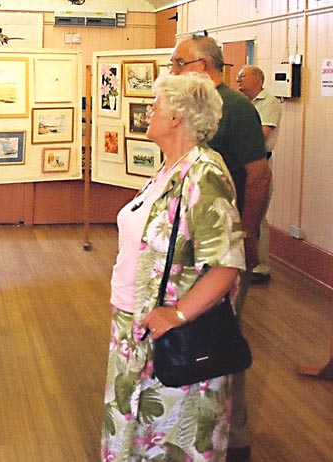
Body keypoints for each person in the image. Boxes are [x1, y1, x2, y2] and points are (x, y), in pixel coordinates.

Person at [101, 72, 246, 462]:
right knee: (133, 431)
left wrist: (177, 313)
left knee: (170, 438)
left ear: (178, 116)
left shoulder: (205, 173)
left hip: (174, 334)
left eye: (156, 105)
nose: (149, 111)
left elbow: (226, 264)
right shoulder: (170, 168)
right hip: (136, 325)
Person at [170, 36, 271, 462]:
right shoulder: (192, 107)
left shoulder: (237, 108)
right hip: (194, 246)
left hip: (225, 247)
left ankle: (235, 441)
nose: (172, 70)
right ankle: (193, 430)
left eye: (178, 62)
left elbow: (258, 175)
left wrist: (247, 235)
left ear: (203, 65)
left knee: (222, 338)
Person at [236, 65, 282, 285]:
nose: (238, 80)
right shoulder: (242, 103)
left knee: (258, 215)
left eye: (242, 76)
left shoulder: (269, 102)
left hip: (260, 162)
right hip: (241, 164)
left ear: (256, 78)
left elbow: (260, 135)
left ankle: (261, 267)